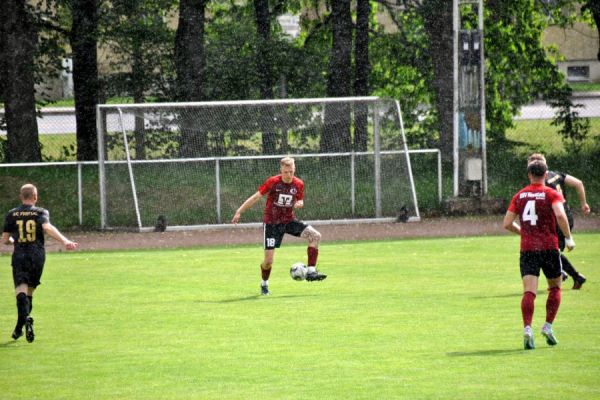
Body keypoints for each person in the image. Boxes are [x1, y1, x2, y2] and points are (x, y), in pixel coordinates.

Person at [503, 160, 575, 350]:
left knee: (529, 291)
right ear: (545, 175)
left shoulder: (519, 195)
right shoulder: (551, 193)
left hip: (527, 249)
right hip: (549, 248)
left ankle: (527, 328)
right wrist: (568, 238)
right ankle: (548, 326)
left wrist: (524, 233)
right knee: (555, 288)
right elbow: (560, 215)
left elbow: (507, 222)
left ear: (529, 175)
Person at [231, 157, 326, 295]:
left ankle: (311, 271)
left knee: (315, 236)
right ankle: (264, 283)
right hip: (272, 224)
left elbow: (300, 200)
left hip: (288, 221)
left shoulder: (299, 184)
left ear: (295, 169)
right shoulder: (273, 182)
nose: (289, 175)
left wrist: (300, 203)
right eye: (286, 172)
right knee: (268, 261)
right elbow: (255, 197)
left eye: (291, 172)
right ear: (281, 170)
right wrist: (239, 211)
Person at [2, 184, 78, 342]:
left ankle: (20, 325)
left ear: (21, 197)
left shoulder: (12, 214)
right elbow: (47, 227)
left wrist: (12, 240)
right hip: (37, 255)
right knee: (29, 292)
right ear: (35, 197)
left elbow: (5, 240)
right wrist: (65, 241)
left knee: (21, 291)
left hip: (20, 255)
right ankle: (23, 323)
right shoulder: (41, 212)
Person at [527, 153, 590, 289]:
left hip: (557, 220)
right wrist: (583, 203)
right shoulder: (556, 175)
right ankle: (567, 274)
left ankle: (568, 275)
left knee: (547, 251)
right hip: (567, 216)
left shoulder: (542, 183)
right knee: (550, 251)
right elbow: (578, 183)